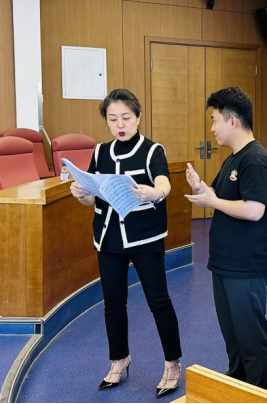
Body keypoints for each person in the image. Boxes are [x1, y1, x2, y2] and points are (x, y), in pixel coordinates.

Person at [70, 89, 183, 399]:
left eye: (126, 118)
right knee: (113, 303)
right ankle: (119, 359)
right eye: (112, 119)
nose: (119, 125)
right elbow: (93, 196)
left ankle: (172, 363)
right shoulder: (100, 151)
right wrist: (81, 194)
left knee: (158, 301)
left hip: (144, 237)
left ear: (138, 117)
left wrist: (155, 193)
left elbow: (163, 182)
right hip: (108, 237)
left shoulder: (152, 150)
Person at [185, 87, 267, 390]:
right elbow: (218, 194)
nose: (212, 128)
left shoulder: (256, 160)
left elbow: (254, 210)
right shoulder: (233, 159)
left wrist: (212, 201)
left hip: (246, 265)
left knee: (251, 338)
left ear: (233, 120)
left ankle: (259, 393)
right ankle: (237, 385)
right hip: (224, 263)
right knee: (233, 337)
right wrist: (201, 188)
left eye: (215, 120)